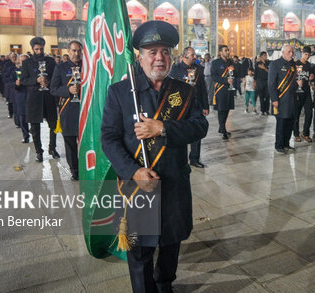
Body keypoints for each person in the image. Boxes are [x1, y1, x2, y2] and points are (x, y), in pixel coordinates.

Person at [101, 20, 208, 293]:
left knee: (171, 244)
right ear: (139, 56)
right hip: (138, 186)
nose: (159, 57)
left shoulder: (184, 92)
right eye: (152, 51)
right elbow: (109, 139)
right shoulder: (120, 93)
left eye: (164, 51)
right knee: (140, 253)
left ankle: (165, 285)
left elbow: (200, 127)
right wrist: (134, 172)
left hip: (173, 183)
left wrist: (162, 128)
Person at [19, 37, 59, 162]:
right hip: (34, 99)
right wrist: (36, 80)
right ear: (32, 49)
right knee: (35, 127)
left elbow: (56, 78)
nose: (39, 51)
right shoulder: (27, 63)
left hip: (49, 97)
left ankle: (52, 148)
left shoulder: (51, 61)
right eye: (37, 49)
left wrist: (48, 81)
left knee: (53, 124)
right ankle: (38, 151)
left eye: (41, 49)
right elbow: (23, 80)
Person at [169, 46, 209, 168]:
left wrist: (205, 106)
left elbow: (203, 89)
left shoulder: (199, 69)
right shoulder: (175, 70)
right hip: (180, 107)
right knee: (180, 132)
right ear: (185, 56)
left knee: (196, 132)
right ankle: (180, 159)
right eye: (192, 55)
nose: (195, 57)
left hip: (195, 106)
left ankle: (194, 158)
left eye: (194, 55)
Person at [50, 40, 83, 180]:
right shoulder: (61, 68)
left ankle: (86, 168)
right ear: (68, 51)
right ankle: (74, 170)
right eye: (74, 51)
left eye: (79, 51)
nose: (76, 53)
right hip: (68, 110)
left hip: (84, 111)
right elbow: (53, 89)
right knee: (70, 144)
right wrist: (68, 90)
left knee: (85, 142)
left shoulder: (87, 66)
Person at [268, 45, 298, 154]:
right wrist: (274, 99)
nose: (291, 54)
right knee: (281, 122)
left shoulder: (293, 65)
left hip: (292, 99)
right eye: (289, 52)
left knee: (290, 122)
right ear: (283, 52)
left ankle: (286, 143)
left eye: (292, 52)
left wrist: (298, 84)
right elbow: (271, 84)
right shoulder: (275, 64)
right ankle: (279, 145)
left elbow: (294, 81)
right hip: (280, 99)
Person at [211, 45, 236, 140]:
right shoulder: (215, 63)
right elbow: (213, 76)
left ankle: (221, 127)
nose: (228, 52)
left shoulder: (230, 62)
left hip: (229, 89)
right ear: (220, 52)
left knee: (227, 109)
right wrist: (226, 81)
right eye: (226, 50)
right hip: (220, 89)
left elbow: (235, 73)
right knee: (221, 109)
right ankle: (223, 130)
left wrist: (234, 71)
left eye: (228, 50)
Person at [293, 46, 314, 143]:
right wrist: (296, 82)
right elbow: (290, 78)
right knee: (296, 115)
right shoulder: (295, 64)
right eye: (306, 54)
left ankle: (305, 133)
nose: (307, 57)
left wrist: (311, 80)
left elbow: (310, 78)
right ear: (302, 53)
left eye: (309, 55)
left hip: (307, 92)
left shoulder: (309, 65)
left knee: (309, 113)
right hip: (297, 92)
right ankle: (296, 134)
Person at [14, 55, 30, 143]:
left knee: (32, 118)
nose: (23, 63)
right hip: (21, 96)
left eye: (25, 61)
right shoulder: (17, 71)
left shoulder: (32, 71)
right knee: (22, 118)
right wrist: (17, 84)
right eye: (22, 61)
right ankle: (25, 135)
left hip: (31, 96)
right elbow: (12, 85)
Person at [254, 51, 270, 115]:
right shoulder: (257, 64)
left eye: (266, 55)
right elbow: (256, 73)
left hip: (267, 81)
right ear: (261, 57)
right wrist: (254, 82)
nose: (265, 57)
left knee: (267, 96)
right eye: (264, 55)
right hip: (260, 81)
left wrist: (264, 68)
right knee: (261, 97)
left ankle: (267, 110)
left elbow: (270, 72)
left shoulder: (268, 63)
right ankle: (262, 110)